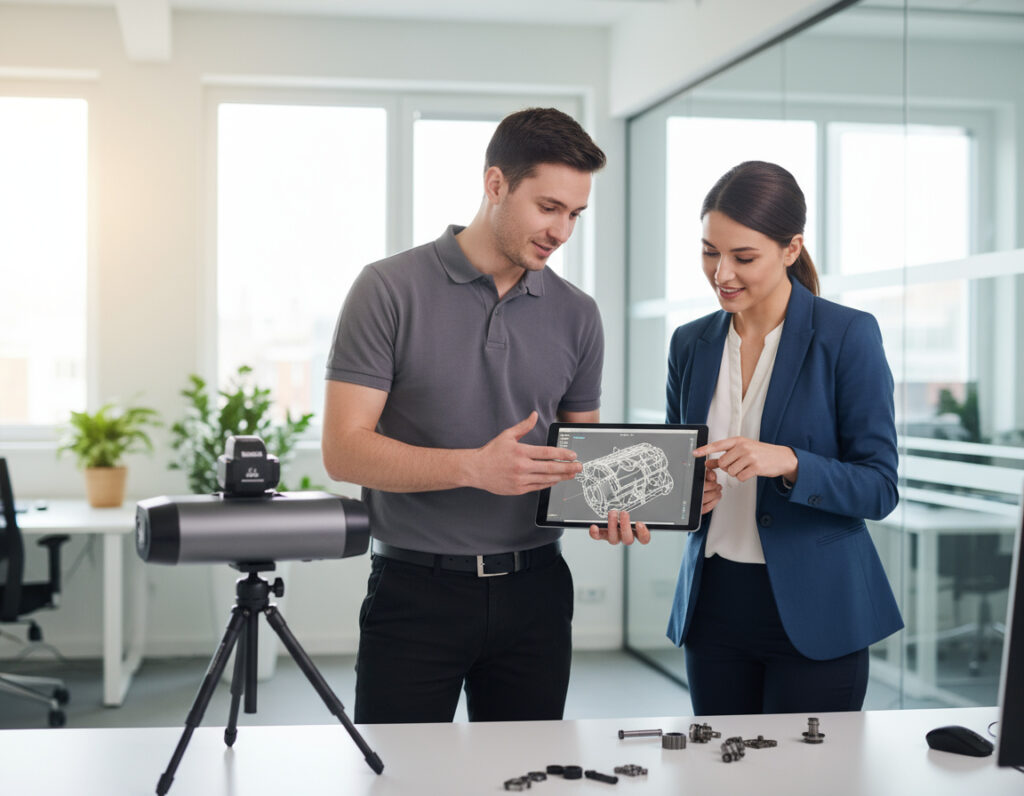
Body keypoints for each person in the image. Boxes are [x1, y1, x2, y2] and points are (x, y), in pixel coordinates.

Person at [322, 107, 607, 724]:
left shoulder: (578, 314)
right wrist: (475, 468)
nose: (562, 231)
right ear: (496, 184)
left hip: (537, 591)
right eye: (548, 206)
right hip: (415, 592)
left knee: (527, 778)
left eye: (575, 215)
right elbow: (344, 451)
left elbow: (584, 459)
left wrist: (617, 509)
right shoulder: (387, 288)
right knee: (399, 777)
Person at [594, 160, 903, 715]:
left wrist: (788, 462)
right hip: (713, 607)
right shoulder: (691, 343)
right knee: (717, 774)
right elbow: (674, 471)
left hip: (817, 609)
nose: (721, 273)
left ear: (790, 249)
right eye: (710, 251)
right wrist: (652, 505)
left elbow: (878, 488)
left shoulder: (847, 335)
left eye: (743, 257)